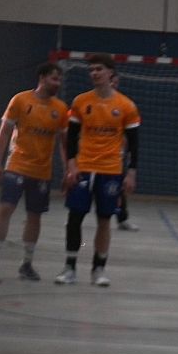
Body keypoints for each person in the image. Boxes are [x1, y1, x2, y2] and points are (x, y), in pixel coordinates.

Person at [57, 53, 138, 287]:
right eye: (91, 70)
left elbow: (134, 144)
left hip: (110, 170)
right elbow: (71, 138)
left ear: (110, 73)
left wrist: (131, 172)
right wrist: (71, 165)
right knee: (75, 217)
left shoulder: (126, 105)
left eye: (99, 69)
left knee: (104, 220)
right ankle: (69, 268)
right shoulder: (80, 101)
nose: (94, 73)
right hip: (83, 168)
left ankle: (98, 269)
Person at [0, 61, 69, 281]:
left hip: (41, 171)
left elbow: (64, 144)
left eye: (60, 80)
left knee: (34, 216)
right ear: (41, 78)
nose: (58, 83)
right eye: (54, 78)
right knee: (6, 207)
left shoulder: (61, 108)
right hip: (17, 165)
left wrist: (68, 171)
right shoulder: (20, 100)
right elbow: (4, 131)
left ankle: (27, 262)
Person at [110, 71, 141, 232]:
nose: (114, 85)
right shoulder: (90, 102)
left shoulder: (124, 105)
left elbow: (131, 132)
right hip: (92, 156)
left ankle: (122, 219)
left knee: (119, 187)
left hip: (115, 156)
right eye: (112, 82)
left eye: (116, 83)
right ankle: (75, 217)